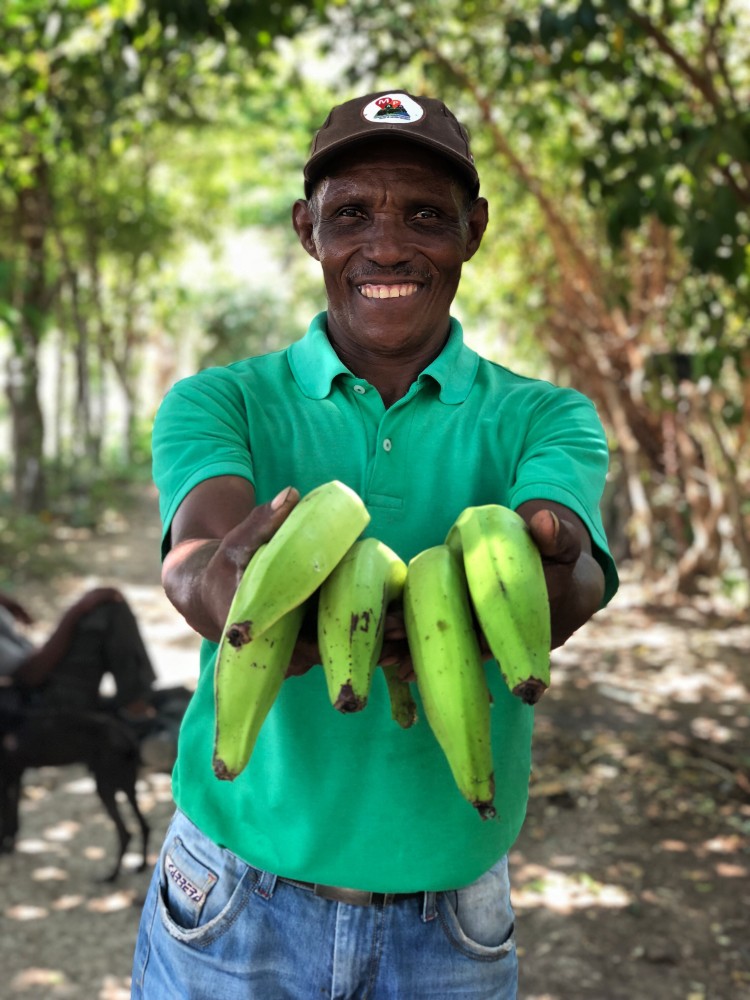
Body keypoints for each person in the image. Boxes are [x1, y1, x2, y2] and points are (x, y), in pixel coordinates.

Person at [132, 90, 619, 999]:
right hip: (232, 902)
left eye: (426, 217)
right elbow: (197, 558)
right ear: (305, 229)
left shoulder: (546, 417)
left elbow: (572, 562)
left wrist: (555, 582)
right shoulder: (220, 402)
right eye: (351, 213)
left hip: (453, 926)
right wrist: (230, 591)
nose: (387, 247)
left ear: (473, 231)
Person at [0, 587, 156, 727]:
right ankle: (135, 709)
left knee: (104, 604)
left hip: (38, 675)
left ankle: (136, 703)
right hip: (35, 700)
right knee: (106, 611)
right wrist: (76, 611)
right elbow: (29, 675)